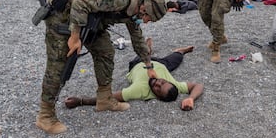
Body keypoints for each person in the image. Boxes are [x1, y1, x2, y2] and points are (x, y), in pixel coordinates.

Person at [35, 0, 168, 134]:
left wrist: (148, 65)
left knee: (105, 51)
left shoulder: (134, 8)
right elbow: (79, 4)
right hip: (63, 13)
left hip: (91, 18)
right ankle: (45, 115)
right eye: (148, 18)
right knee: (59, 64)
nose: (146, 22)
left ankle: (104, 99)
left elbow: (137, 38)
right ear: (144, 9)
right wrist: (75, 37)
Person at [64, 40, 203, 111]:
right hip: (163, 65)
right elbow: (198, 85)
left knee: (143, 55)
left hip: (138, 64)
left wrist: (80, 101)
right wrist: (191, 98)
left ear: (157, 97)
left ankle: (147, 50)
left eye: (158, 88)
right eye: (163, 82)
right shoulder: (175, 86)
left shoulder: (140, 91)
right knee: (177, 57)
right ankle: (179, 51)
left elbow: (108, 97)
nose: (157, 82)